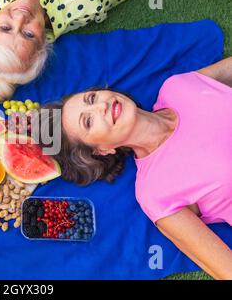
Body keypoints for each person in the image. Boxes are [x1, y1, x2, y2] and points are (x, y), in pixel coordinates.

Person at [45, 58, 232, 279]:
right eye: (88, 121)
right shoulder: (154, 191)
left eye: (92, 98)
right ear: (102, 150)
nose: (101, 106)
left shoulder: (175, 87)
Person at [0, 0, 149, 101]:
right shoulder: (84, 0)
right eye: (28, 34)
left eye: (5, 28)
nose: (21, 19)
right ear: (44, 41)